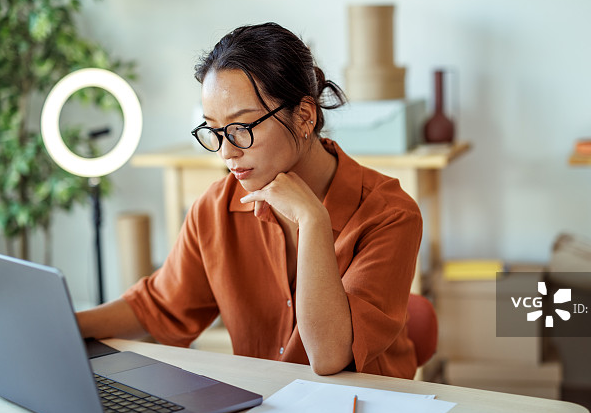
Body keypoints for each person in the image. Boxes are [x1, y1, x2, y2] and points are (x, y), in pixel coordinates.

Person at [77, 22, 423, 378]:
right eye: (213, 130)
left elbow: (330, 356)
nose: (226, 151)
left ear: (304, 116)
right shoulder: (214, 208)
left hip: (367, 411)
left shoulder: (390, 214)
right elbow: (159, 306)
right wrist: (65, 323)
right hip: (264, 409)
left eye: (242, 127)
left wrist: (312, 220)